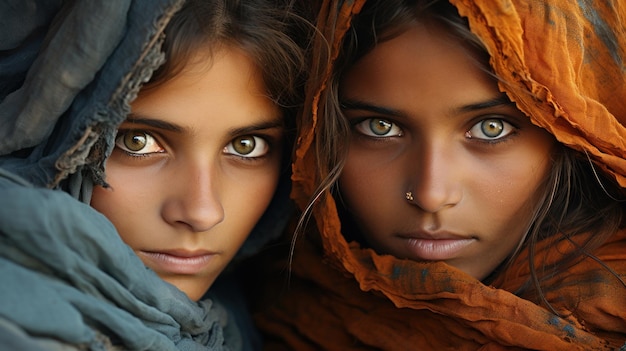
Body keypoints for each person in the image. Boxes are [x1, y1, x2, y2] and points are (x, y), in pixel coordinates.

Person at [250, 0, 626, 349]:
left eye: (490, 128)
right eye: (379, 127)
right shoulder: (268, 298)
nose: (430, 195)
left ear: (574, 134)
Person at [0, 0, 309, 350]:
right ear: (53, 136)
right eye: (138, 141)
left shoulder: (244, 315)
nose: (203, 212)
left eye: (246, 146)